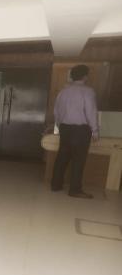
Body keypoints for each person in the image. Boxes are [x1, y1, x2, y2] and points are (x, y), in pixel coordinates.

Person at [51, 64, 99, 199]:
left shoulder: (63, 91)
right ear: (85, 76)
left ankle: (55, 185)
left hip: (65, 128)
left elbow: (57, 111)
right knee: (79, 159)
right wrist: (95, 131)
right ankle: (75, 190)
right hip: (81, 130)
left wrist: (60, 126)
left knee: (62, 157)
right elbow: (91, 112)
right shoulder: (88, 91)